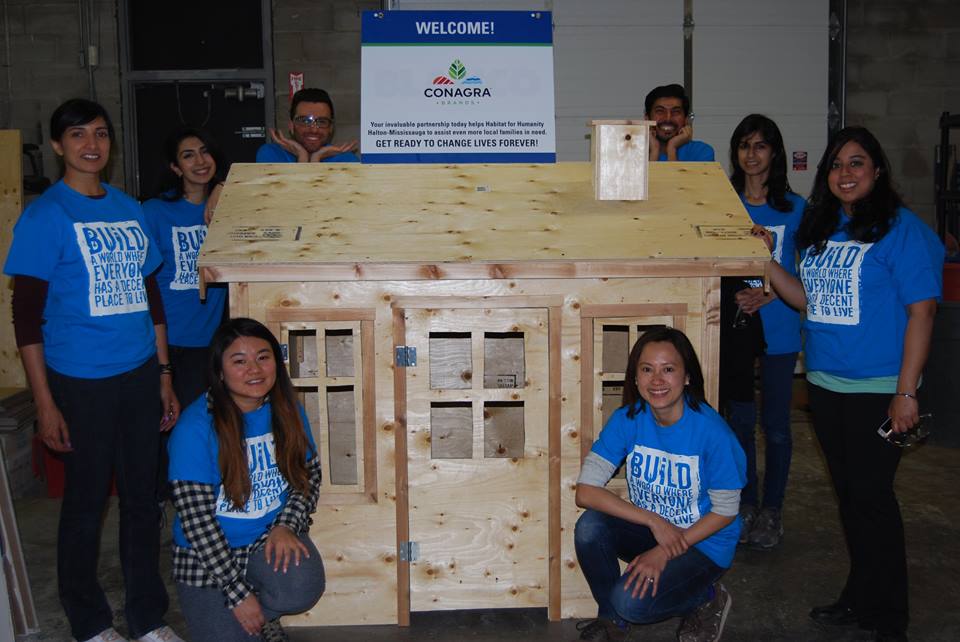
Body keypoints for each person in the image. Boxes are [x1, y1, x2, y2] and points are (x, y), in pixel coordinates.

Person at [3, 98, 183, 642]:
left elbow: (151, 299)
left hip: (137, 375)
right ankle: (89, 622)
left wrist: (164, 373)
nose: (91, 145)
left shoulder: (130, 208)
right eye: (78, 135)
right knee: (84, 505)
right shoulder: (45, 216)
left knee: (141, 502)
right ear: (58, 146)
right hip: (78, 381)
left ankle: (148, 617)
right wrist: (45, 401)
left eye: (101, 134)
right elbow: (26, 319)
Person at [758, 126, 943, 642]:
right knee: (850, 499)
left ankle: (890, 618)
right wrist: (766, 261)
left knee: (873, 500)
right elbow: (806, 300)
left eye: (857, 163)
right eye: (837, 165)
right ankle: (861, 598)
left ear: (877, 170)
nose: (846, 173)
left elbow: (923, 313)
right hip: (824, 383)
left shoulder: (900, 230)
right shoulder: (823, 229)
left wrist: (905, 392)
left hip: (878, 388)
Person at [574, 327, 746, 642]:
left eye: (668, 369)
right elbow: (586, 491)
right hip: (657, 530)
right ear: (635, 377)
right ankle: (611, 620)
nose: (657, 380)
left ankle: (708, 597)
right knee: (589, 528)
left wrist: (664, 553)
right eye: (647, 369)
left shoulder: (713, 433)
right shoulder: (627, 419)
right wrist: (654, 522)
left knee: (631, 603)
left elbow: (726, 511)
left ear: (687, 376)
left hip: (703, 543)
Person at [168, 317, 325, 642]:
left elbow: (308, 476)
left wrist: (285, 525)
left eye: (263, 357)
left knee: (303, 586)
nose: (254, 369)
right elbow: (197, 522)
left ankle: (261, 615)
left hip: (264, 540)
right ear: (220, 370)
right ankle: (243, 611)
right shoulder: (194, 428)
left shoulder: (288, 408)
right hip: (206, 554)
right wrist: (236, 592)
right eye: (239, 361)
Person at [722, 114, 805, 549]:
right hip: (735, 332)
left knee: (776, 427)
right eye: (743, 146)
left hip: (779, 327)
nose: (751, 155)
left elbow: (808, 275)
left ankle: (772, 510)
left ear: (775, 153)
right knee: (739, 423)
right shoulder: (724, 205)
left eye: (759, 146)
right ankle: (747, 503)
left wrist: (769, 294)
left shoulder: (797, 209)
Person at [143, 127, 229, 408]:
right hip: (166, 342)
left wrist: (223, 187)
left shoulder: (229, 208)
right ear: (175, 167)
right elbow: (143, 281)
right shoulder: (154, 211)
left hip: (211, 343)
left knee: (204, 428)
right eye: (188, 156)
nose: (200, 161)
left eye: (205, 152)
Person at [256, 87, 358, 163]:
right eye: (305, 121)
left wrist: (316, 158)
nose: (313, 130)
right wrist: (303, 157)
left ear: (331, 128)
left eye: (321, 122)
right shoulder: (272, 154)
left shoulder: (346, 160)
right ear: (291, 126)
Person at [644, 84, 715, 162]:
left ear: (686, 119)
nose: (668, 118)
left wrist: (672, 148)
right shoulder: (632, 152)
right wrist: (654, 150)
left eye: (676, 112)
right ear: (647, 118)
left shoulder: (701, 151)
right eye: (660, 111)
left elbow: (672, 175)